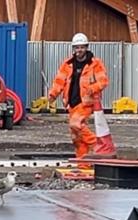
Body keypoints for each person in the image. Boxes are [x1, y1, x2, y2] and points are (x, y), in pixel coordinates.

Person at [48, 33, 116, 167]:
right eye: (77, 47)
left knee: (75, 124)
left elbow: (103, 81)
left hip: (86, 102)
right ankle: (83, 165)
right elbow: (59, 81)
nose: (79, 50)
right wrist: (53, 94)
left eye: (82, 47)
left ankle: (97, 145)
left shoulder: (94, 63)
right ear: (73, 48)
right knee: (77, 138)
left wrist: (93, 88)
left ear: (86, 47)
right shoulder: (67, 64)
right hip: (71, 103)